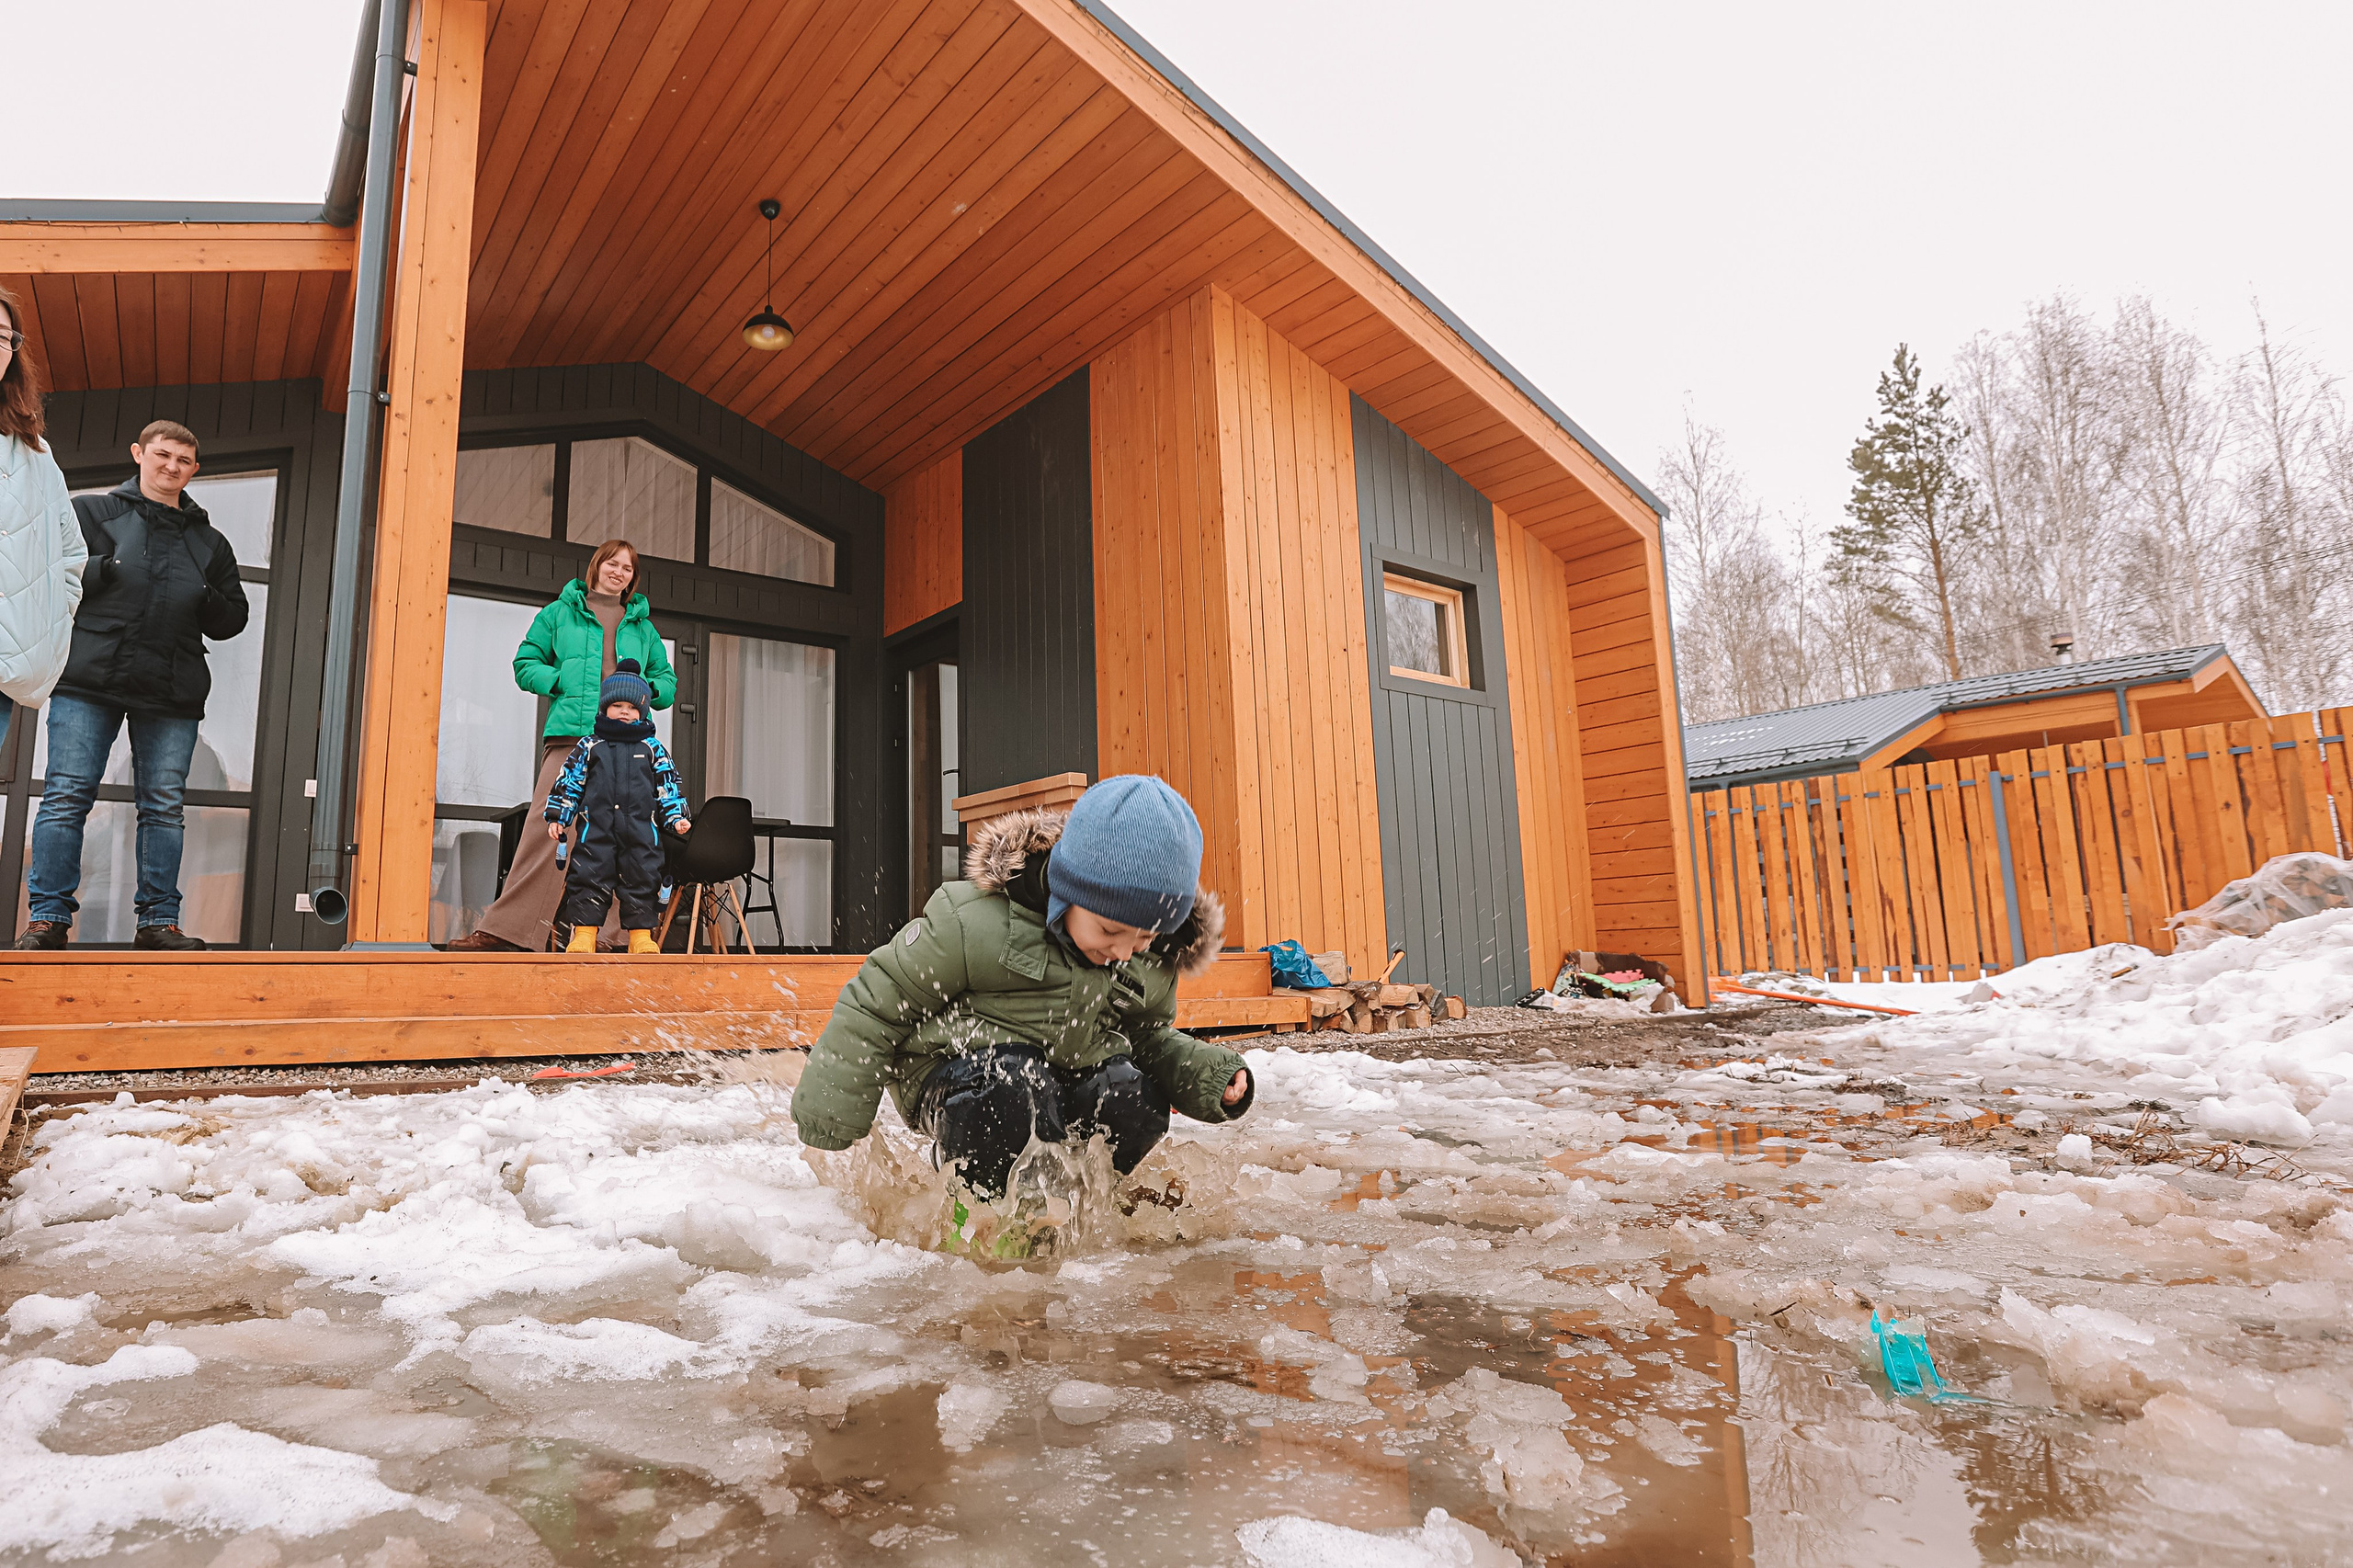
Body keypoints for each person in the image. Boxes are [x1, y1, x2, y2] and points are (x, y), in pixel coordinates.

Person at [791, 776, 1256, 1210]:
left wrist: (1211, 1076)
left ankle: (1073, 1207)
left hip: (1062, 1081)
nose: (1122, 951)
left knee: (1131, 1095)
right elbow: (877, 1001)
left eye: (1143, 938)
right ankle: (972, 1208)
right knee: (1014, 1087)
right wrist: (832, 1110)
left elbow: (1147, 1040)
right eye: (1110, 929)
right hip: (964, 1077)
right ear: (1068, 888)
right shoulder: (974, 923)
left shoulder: (1146, 962)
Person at [17, 419, 248, 950]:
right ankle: (48, 919)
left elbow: (232, 617)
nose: (171, 467)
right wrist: (106, 569)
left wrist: (202, 593)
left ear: (194, 470)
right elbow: (50, 573)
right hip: (88, 680)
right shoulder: (91, 513)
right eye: (162, 455)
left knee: (164, 806)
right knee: (67, 797)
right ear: (139, 453)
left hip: (172, 689)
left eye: (183, 461)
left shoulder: (210, 542)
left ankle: (158, 924)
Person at [445, 540, 676, 951]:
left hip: (627, 744)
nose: (618, 572)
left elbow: (667, 684)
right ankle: (511, 932)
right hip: (571, 737)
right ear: (597, 566)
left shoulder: (643, 627)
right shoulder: (558, 614)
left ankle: (613, 939)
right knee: (545, 828)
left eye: (627, 567)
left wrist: (643, 692)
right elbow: (525, 664)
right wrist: (560, 682)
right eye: (612, 563)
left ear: (632, 578)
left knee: (624, 835)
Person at [543, 660, 690, 955]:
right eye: (618, 705)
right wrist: (560, 815)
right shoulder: (590, 746)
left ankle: (640, 937)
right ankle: (584, 935)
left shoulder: (653, 748)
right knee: (588, 878)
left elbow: (667, 784)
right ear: (604, 708)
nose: (625, 711)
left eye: (633, 708)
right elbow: (570, 781)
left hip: (640, 832)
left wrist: (675, 816)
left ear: (642, 712)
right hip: (594, 832)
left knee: (642, 878)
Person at [0, 286, 89, 763]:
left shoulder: (33, 449)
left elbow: (71, 551)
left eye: (3, 338)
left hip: (6, 658)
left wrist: (49, 621)